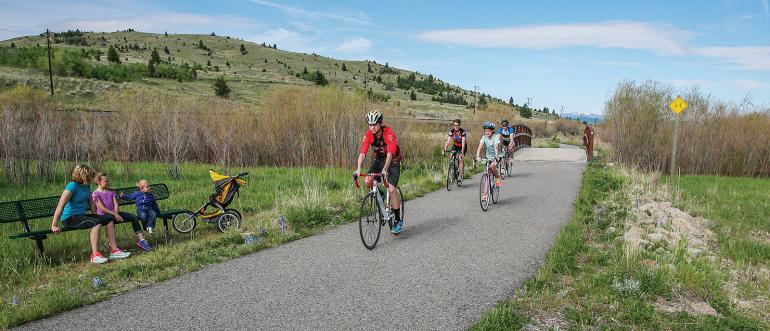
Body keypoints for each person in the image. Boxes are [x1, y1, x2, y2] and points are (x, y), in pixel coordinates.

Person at [50, 165, 131, 264]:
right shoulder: (72, 186)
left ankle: (114, 251)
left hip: (81, 216)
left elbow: (91, 202)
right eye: (89, 176)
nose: (91, 178)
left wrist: (97, 215)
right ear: (82, 175)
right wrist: (54, 225)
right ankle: (95, 255)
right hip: (70, 218)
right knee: (96, 223)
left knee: (109, 219)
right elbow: (60, 205)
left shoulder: (86, 185)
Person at [354, 109, 404, 234]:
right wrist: (359, 168)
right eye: (370, 125)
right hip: (378, 161)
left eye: (375, 124)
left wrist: (385, 170)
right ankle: (380, 196)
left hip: (393, 162)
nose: (372, 127)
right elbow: (362, 153)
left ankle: (397, 220)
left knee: (392, 190)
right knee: (367, 180)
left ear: (381, 123)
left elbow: (390, 154)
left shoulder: (389, 133)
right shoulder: (369, 135)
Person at [92, 173, 151, 251]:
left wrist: (116, 214)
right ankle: (110, 243)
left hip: (115, 213)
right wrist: (114, 215)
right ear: (98, 182)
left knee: (133, 217)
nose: (108, 182)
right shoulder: (95, 194)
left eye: (108, 180)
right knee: (110, 220)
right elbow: (102, 208)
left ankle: (142, 240)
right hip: (104, 215)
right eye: (106, 181)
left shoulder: (111, 192)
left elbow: (116, 204)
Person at [475, 122, 503, 188]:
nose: (487, 132)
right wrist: (478, 156)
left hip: (497, 156)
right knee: (486, 174)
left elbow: (496, 147)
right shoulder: (484, 137)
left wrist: (496, 156)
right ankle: (485, 195)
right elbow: (480, 147)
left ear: (492, 131)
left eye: (489, 131)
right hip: (488, 156)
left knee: (492, 167)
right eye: (486, 131)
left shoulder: (495, 137)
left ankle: (497, 178)